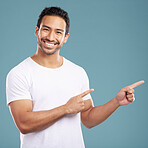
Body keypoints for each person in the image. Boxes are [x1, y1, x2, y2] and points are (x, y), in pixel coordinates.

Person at [6, 7, 144, 148]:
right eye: (46, 29)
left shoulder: (77, 72)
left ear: (65, 37)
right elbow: (24, 123)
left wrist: (116, 102)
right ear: (37, 31)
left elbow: (88, 119)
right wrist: (65, 108)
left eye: (58, 32)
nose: (51, 37)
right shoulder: (19, 73)